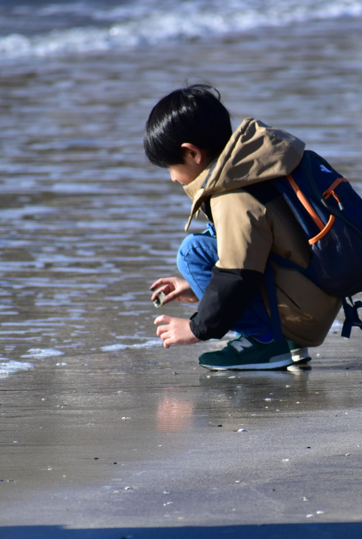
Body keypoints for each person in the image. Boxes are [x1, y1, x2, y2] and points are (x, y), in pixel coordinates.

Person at [146, 84, 342, 370]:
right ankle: (283, 341)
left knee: (192, 252)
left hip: (300, 313)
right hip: (315, 302)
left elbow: (237, 275)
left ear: (192, 153)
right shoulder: (257, 167)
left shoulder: (232, 195)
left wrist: (197, 328)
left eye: (170, 166)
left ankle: (263, 341)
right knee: (216, 243)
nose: (172, 178)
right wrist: (199, 287)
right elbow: (265, 250)